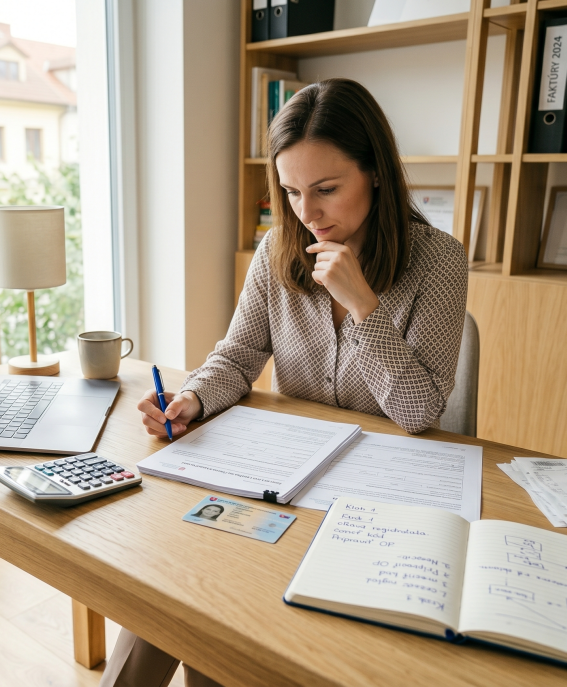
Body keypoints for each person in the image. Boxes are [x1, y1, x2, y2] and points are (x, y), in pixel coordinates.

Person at [100, 78, 468, 687]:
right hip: (286, 478)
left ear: (375, 172)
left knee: (233, 621)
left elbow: (420, 410)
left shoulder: (439, 262)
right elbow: (239, 353)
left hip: (380, 502)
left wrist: (363, 307)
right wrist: (195, 396)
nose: (308, 213)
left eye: (327, 190)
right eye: (292, 192)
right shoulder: (279, 248)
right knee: (175, 589)